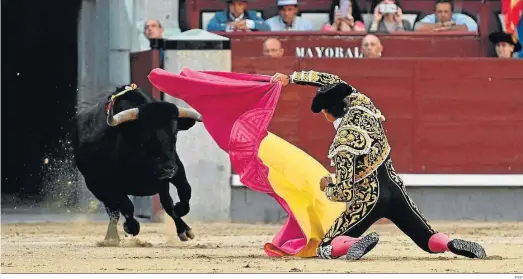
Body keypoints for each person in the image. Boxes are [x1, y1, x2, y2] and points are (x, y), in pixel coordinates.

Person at [269, 70, 487, 260]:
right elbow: (331, 80)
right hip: (395, 189)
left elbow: (344, 193)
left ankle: (354, 244)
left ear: (326, 113)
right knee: (427, 239)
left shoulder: (343, 142)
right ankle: (448, 243)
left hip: (369, 200)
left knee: (325, 247)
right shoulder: (362, 103)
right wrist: (292, 78)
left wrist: (327, 185)